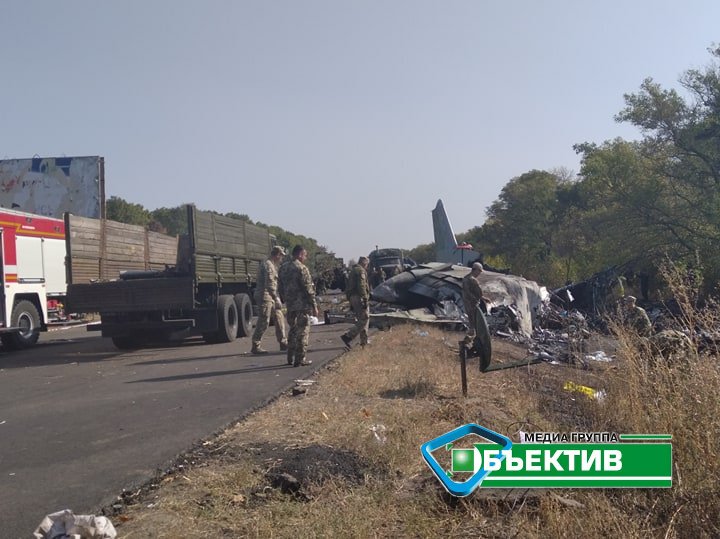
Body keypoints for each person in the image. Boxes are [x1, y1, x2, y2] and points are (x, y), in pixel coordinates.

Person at [278, 245, 318, 367]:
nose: (305, 258)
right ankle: (300, 359)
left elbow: (280, 286)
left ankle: (290, 357)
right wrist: (314, 305)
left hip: (290, 305)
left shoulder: (283, 268)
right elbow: (308, 289)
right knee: (303, 331)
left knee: (293, 330)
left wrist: (285, 298)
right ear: (300, 254)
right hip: (302, 305)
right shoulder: (301, 268)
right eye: (305, 255)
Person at [251, 246, 288, 355]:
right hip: (265, 296)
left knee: (279, 316)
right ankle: (255, 345)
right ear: (277, 255)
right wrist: (276, 298)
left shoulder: (271, 264)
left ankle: (283, 342)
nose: (281, 258)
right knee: (264, 320)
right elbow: (270, 284)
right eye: (281, 256)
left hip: (269, 295)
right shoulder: (269, 265)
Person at [341, 256, 370, 349]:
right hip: (359, 297)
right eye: (367, 264)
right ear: (364, 263)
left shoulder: (353, 271)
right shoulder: (360, 271)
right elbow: (361, 286)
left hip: (353, 297)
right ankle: (348, 336)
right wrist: (365, 298)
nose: (367, 267)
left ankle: (364, 342)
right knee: (364, 319)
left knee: (362, 319)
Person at [462, 262, 489, 345]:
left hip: (467, 305)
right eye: (479, 271)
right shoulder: (473, 280)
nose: (479, 274)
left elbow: (466, 292)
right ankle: (469, 343)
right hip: (473, 305)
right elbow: (479, 294)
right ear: (475, 270)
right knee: (475, 327)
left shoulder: (465, 278)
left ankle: (467, 343)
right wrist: (484, 299)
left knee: (471, 325)